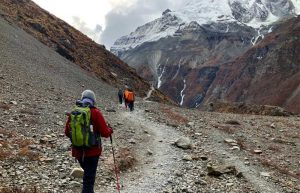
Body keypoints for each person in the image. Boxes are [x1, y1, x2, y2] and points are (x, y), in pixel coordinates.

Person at [65, 90, 113, 193]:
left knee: (87, 178)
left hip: (78, 152)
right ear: (93, 100)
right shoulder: (96, 112)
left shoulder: (75, 112)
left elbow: (67, 132)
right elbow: (105, 133)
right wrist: (110, 130)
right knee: (88, 181)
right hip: (92, 153)